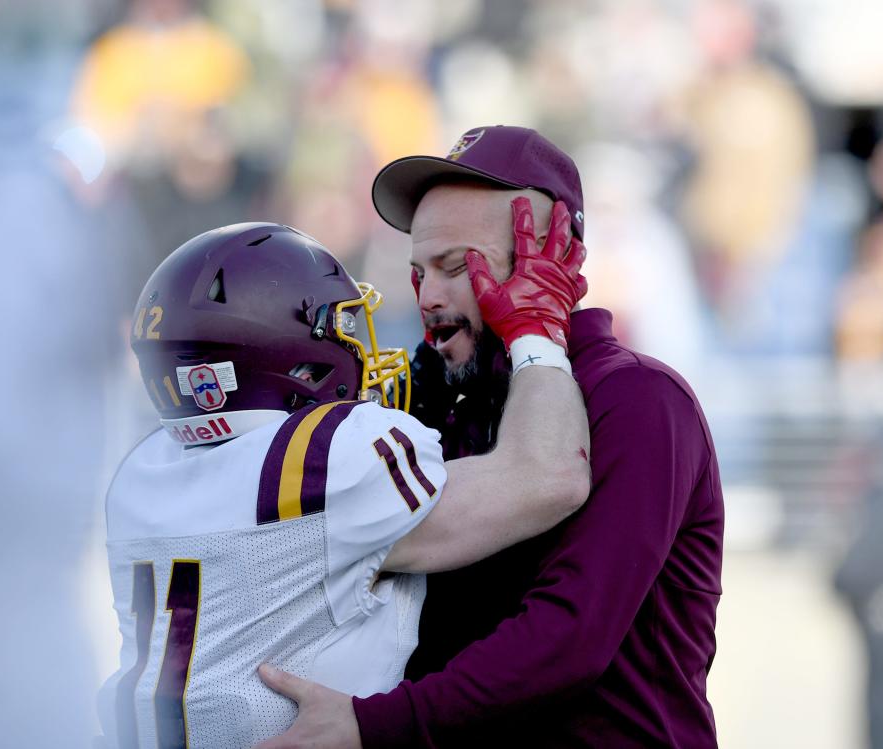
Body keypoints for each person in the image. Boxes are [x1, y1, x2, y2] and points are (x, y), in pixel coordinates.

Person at [259, 126, 725, 748]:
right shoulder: (443, 404)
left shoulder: (640, 400)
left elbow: (570, 636)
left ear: (554, 259)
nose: (428, 296)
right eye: (419, 272)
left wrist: (375, 725)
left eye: (456, 266)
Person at [98, 220, 589, 748]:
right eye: (342, 329)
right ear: (292, 357)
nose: (356, 346)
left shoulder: (139, 473)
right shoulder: (325, 460)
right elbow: (548, 475)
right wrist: (535, 334)